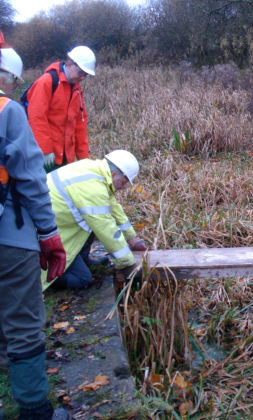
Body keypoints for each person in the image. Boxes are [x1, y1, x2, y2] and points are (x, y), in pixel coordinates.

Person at [0, 34, 70, 420]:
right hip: (9, 237)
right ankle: (35, 411)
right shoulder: (7, 111)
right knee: (25, 322)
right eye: (10, 82)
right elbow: (29, 179)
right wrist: (48, 235)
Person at [43, 150, 148, 290]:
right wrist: (128, 263)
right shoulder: (94, 187)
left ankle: (83, 260)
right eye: (124, 182)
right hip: (46, 235)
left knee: (91, 223)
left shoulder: (95, 172)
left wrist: (132, 238)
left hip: (56, 223)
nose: (123, 187)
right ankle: (54, 278)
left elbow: (113, 208)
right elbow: (106, 227)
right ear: (115, 174)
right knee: (82, 279)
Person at [24, 46, 96, 173]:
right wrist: (45, 150)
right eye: (81, 73)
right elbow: (36, 117)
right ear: (69, 64)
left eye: (86, 75)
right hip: (44, 157)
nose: (83, 78)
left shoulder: (77, 90)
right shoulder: (47, 82)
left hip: (65, 159)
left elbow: (80, 125)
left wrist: (84, 160)